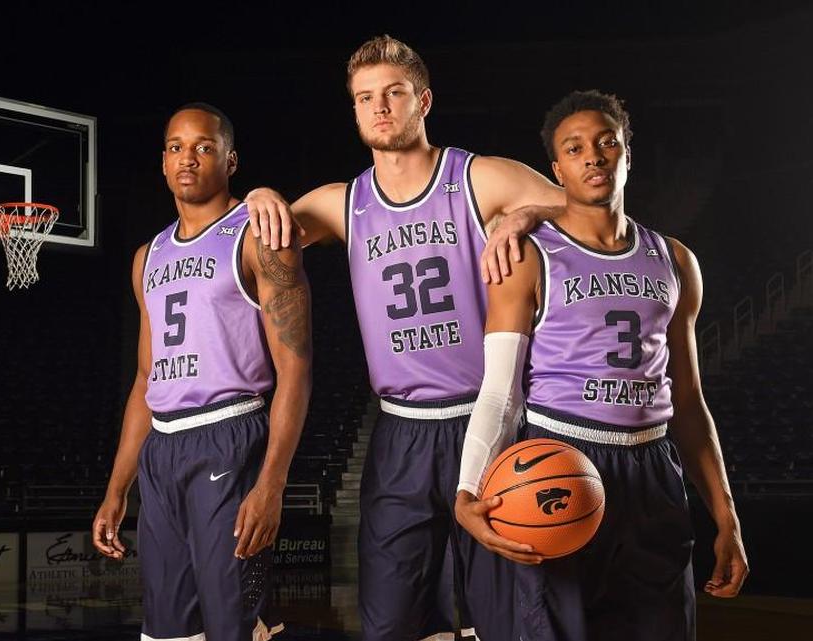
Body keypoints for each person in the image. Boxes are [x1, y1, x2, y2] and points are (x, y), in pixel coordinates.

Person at [246, 35, 564, 641]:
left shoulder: (478, 178)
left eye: (394, 93)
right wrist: (259, 197)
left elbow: (588, 210)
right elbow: (251, 241)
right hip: (400, 432)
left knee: (506, 618)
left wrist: (524, 214)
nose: (381, 106)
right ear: (356, 111)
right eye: (366, 98)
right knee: (390, 623)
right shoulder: (344, 203)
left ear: (424, 100)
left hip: (489, 422)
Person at [454, 90, 749, 641]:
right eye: (575, 148)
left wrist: (725, 516)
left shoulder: (675, 260)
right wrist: (469, 486)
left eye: (605, 142)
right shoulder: (527, 255)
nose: (592, 155)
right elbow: (499, 392)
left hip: (654, 472)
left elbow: (688, 402)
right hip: (561, 459)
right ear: (557, 168)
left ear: (627, 155)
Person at [91, 103, 312, 641]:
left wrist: (272, 484)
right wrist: (116, 489)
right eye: (175, 147)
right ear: (163, 163)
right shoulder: (149, 257)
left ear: (230, 160)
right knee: (168, 631)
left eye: (203, 147)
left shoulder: (258, 235)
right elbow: (146, 381)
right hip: (162, 451)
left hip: (230, 438)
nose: (187, 158)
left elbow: (296, 369)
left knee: (235, 626)